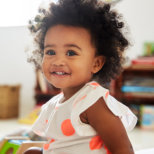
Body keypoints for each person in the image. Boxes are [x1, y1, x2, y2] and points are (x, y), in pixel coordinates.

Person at [24, 0, 137, 153]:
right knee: (31, 151)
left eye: (71, 53)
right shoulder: (54, 104)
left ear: (96, 63)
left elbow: (123, 149)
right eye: (50, 52)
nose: (58, 61)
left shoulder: (92, 101)